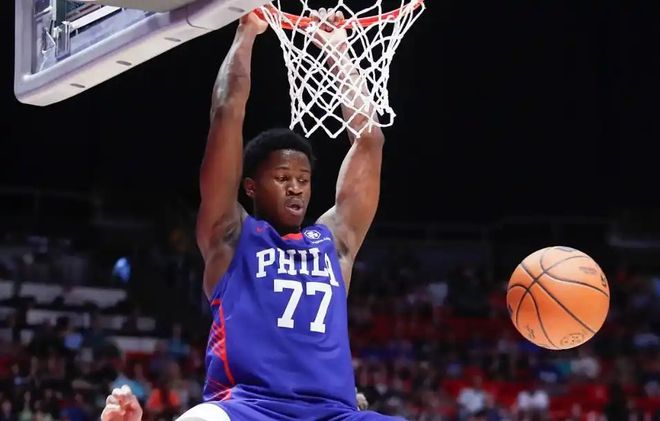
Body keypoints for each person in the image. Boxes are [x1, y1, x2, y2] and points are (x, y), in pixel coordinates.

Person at [188, 6, 398, 421]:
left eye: (303, 178)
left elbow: (369, 140)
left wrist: (337, 51)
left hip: (333, 412)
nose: (296, 187)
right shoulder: (229, 235)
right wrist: (246, 31)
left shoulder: (333, 243)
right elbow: (227, 111)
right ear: (251, 186)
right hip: (248, 406)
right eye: (282, 177)